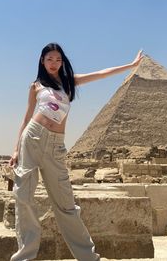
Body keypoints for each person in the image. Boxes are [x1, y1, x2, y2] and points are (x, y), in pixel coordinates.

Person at [9, 43, 144, 261]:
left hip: (55, 145)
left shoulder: (69, 81)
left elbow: (101, 74)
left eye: (58, 60)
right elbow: (26, 118)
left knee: (66, 205)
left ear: (63, 62)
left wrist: (131, 65)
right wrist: (15, 149)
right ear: (42, 61)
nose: (54, 64)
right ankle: (25, 256)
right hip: (32, 138)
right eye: (50, 59)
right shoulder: (35, 86)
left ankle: (88, 257)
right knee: (23, 197)